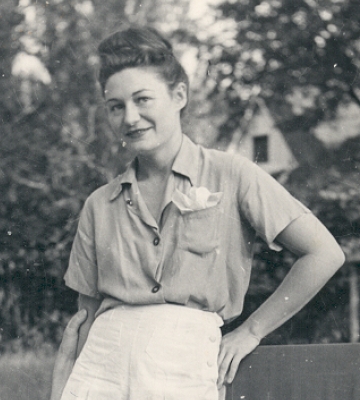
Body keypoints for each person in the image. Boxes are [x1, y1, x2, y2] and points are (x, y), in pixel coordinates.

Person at [58, 27, 345, 400]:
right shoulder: (99, 204)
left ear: (179, 95)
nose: (130, 118)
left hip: (185, 363)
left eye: (143, 99)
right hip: (102, 366)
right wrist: (63, 387)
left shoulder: (232, 173)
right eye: (116, 106)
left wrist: (252, 331)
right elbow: (86, 317)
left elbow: (324, 253)